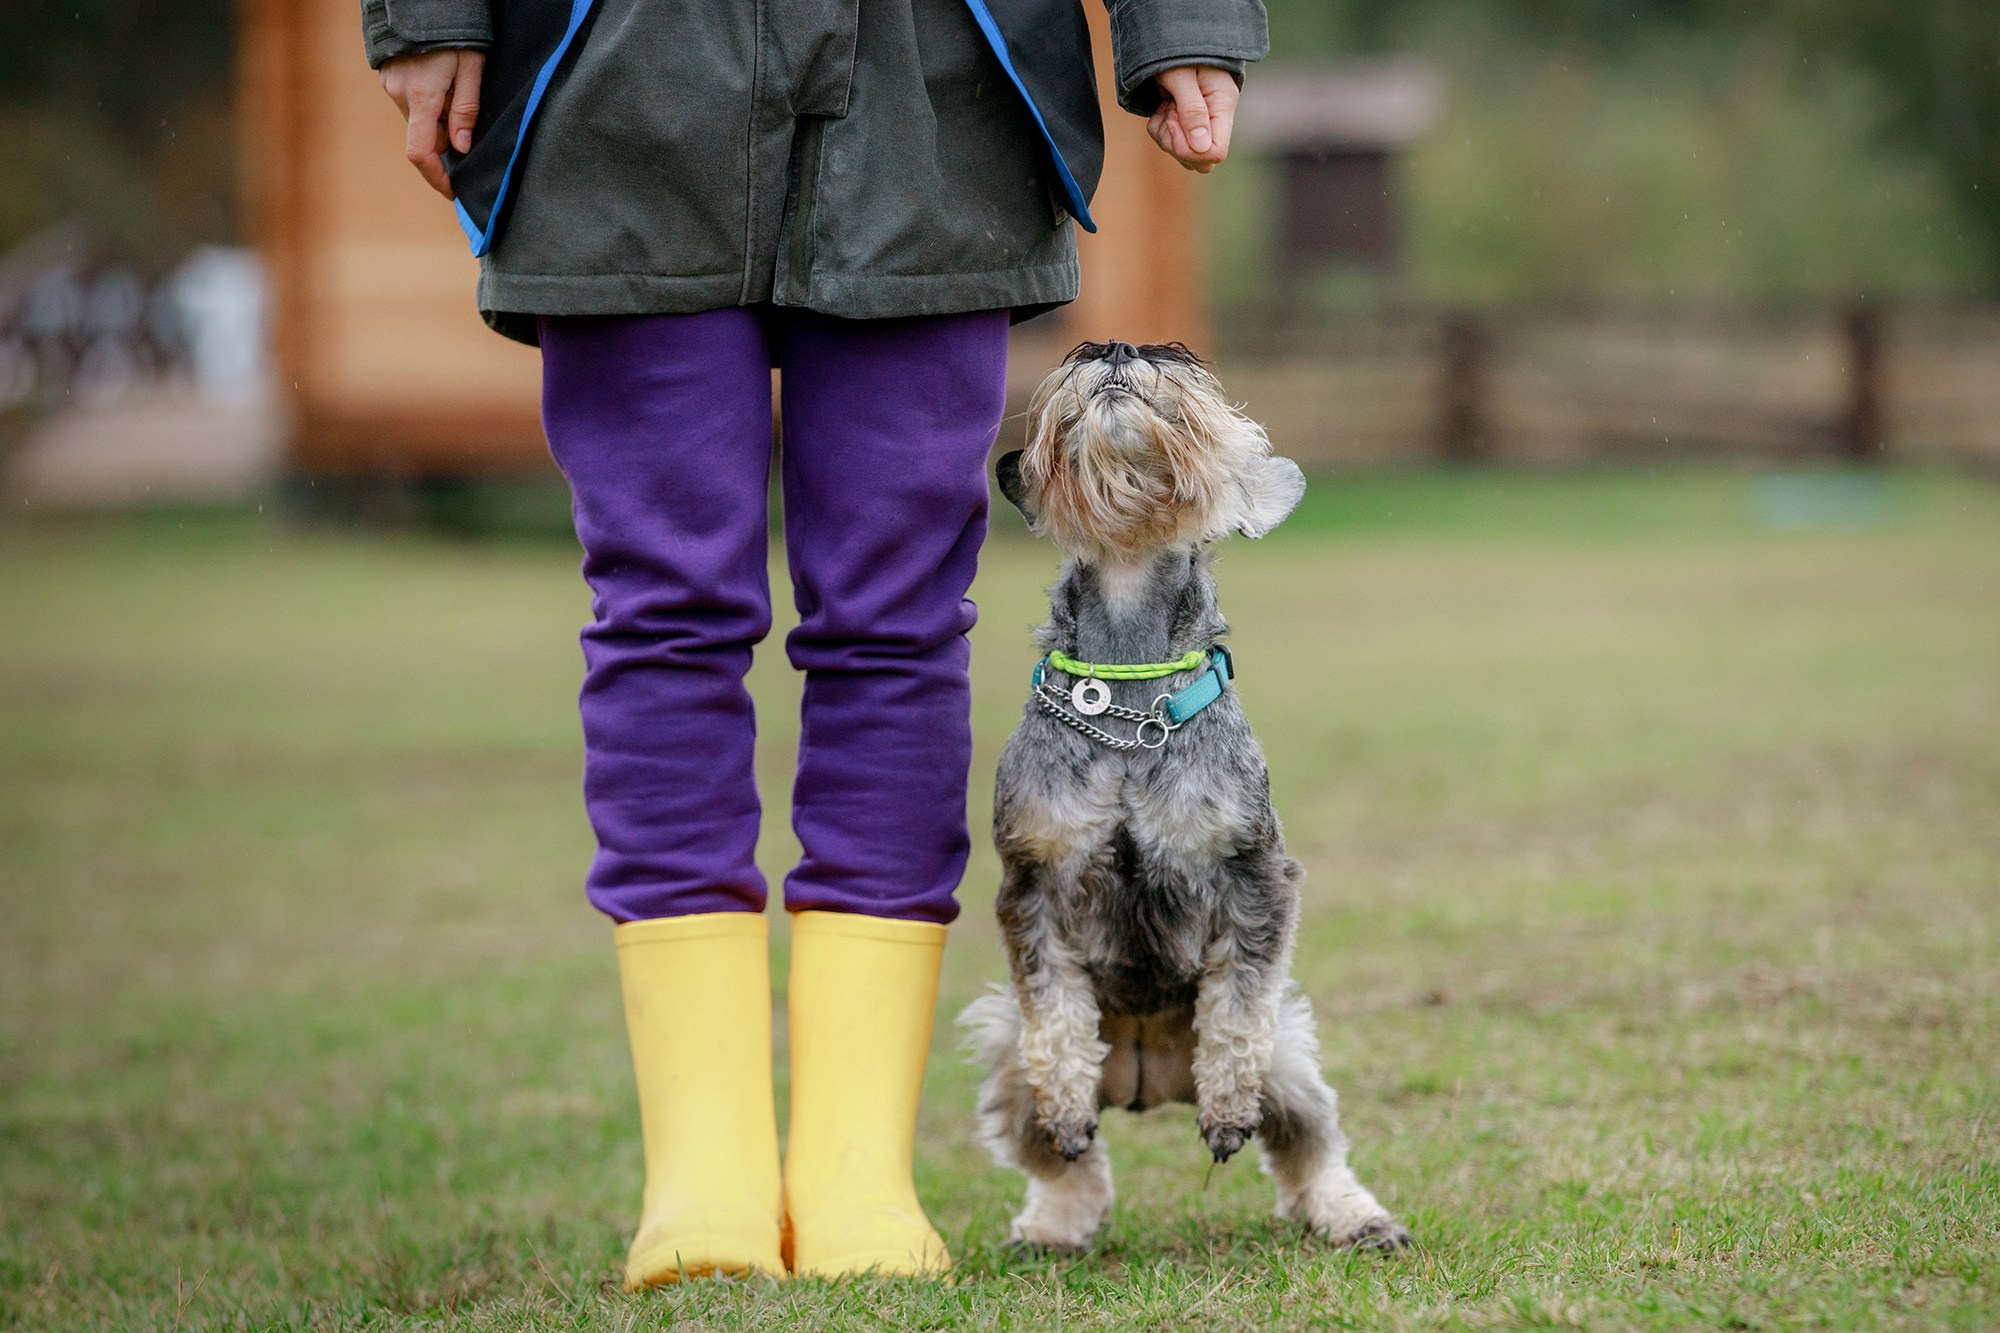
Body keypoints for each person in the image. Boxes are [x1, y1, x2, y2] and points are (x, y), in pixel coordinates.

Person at [360, 0, 1266, 1285]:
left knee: (895, 625)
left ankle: (856, 1169)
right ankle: (704, 1169)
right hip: (626, 71)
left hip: (931, 83)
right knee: (663, 617)